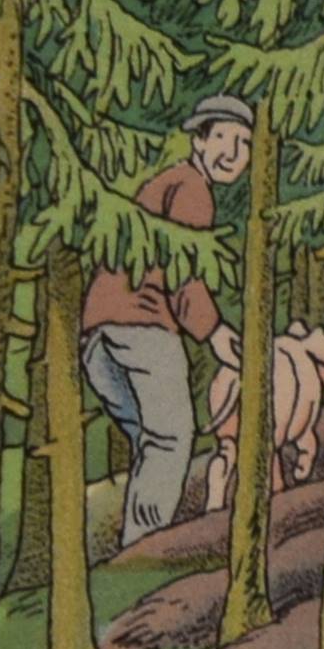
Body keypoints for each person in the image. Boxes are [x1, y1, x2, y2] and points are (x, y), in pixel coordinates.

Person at [79, 95, 250, 548]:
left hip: (98, 334)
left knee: (150, 438)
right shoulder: (191, 189)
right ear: (199, 141)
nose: (233, 153)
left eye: (244, 143)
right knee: (171, 438)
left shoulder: (167, 182)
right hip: (143, 326)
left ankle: (134, 542)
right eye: (223, 138)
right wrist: (215, 332)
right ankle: (145, 545)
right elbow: (183, 275)